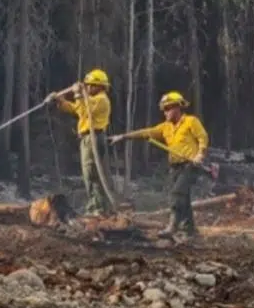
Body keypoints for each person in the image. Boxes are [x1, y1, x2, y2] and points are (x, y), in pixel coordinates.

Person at [110, 91, 209, 239]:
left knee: (177, 194)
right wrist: (124, 136)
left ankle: (172, 227)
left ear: (178, 107)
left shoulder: (191, 121)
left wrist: (200, 154)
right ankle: (189, 229)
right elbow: (147, 132)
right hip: (175, 166)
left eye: (168, 108)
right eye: (164, 109)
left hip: (190, 165)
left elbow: (203, 137)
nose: (165, 112)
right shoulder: (165, 127)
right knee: (184, 197)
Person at [47, 69, 114, 216]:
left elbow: (84, 111)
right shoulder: (90, 100)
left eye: (91, 85)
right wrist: (60, 101)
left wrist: (77, 93)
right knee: (88, 173)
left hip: (94, 137)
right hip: (87, 138)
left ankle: (98, 208)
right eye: (87, 85)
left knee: (91, 173)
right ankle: (96, 206)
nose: (88, 87)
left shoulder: (101, 99)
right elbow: (77, 109)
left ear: (100, 86)